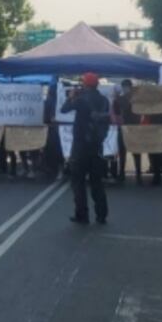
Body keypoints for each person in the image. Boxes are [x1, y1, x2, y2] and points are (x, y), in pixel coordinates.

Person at [63, 73, 112, 225]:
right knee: (97, 182)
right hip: (97, 145)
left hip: (80, 146)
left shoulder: (81, 99)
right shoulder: (104, 100)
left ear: (85, 84)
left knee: (78, 182)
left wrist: (71, 96)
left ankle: (82, 215)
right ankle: (102, 215)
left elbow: (64, 109)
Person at [113, 79, 142, 184]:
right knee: (136, 153)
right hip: (135, 127)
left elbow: (116, 113)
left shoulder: (119, 99)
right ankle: (138, 176)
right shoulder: (137, 99)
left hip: (124, 127)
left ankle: (122, 174)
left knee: (122, 152)